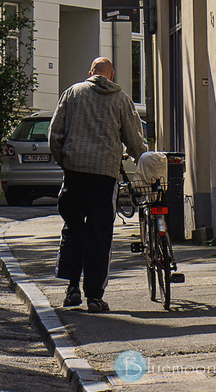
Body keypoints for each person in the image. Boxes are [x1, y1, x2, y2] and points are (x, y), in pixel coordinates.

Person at [49, 56, 146, 313]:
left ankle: (71, 289)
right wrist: (143, 161)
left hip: (75, 173)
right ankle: (94, 296)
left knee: (73, 227)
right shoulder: (122, 100)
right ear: (111, 76)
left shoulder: (72, 93)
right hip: (104, 175)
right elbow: (135, 141)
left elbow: (55, 134)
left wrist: (65, 162)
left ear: (89, 73)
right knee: (99, 234)